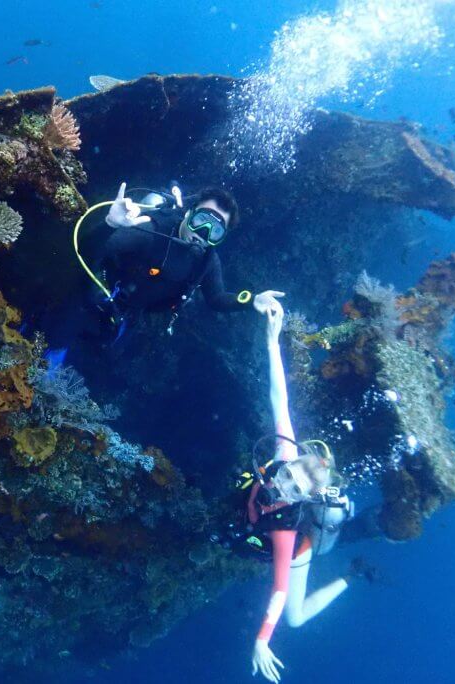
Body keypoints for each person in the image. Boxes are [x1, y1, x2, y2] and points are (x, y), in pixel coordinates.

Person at [247, 298, 355, 682]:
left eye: (294, 490)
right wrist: (272, 341)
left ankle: (351, 577)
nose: (282, 486)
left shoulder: (285, 530)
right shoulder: (283, 451)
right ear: (289, 461)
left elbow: (278, 590)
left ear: (304, 500)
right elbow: (280, 397)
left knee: (294, 618)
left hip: (300, 553)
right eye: (288, 476)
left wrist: (262, 639)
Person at [91, 181, 283, 334]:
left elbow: (216, 298)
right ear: (189, 213)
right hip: (99, 288)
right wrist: (109, 224)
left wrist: (251, 301)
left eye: (214, 231)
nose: (202, 233)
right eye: (201, 220)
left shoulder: (207, 261)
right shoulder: (153, 231)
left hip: (133, 315)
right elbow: (90, 249)